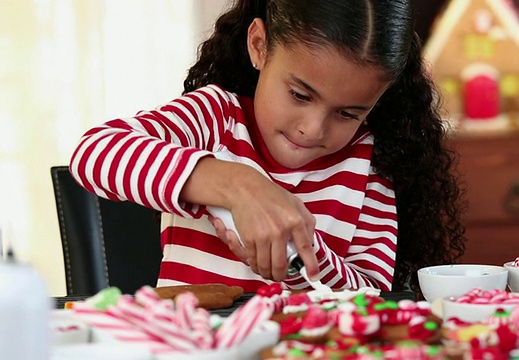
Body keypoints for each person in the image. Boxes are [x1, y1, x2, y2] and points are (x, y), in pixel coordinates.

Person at [69, 0, 466, 293]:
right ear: (259, 46)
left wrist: (300, 256)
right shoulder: (214, 118)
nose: (313, 129)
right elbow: (93, 152)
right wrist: (236, 183)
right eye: (299, 94)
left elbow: (373, 296)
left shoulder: (371, 167)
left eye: (347, 114)